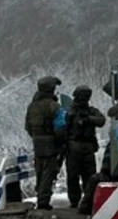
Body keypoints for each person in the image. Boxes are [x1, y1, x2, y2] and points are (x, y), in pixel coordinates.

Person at [77, 102, 118, 215]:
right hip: (81, 148)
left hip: (115, 173)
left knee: (93, 179)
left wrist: (88, 119)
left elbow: (101, 120)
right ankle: (81, 207)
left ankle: (84, 209)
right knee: (91, 178)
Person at [23, 76, 65, 210]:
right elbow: (60, 127)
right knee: (49, 172)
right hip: (51, 142)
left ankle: (40, 195)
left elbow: (27, 126)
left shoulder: (32, 106)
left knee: (39, 170)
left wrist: (37, 136)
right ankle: (43, 201)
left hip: (37, 141)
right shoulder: (54, 106)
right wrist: (60, 144)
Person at [64, 86, 106, 209]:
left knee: (88, 175)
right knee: (73, 176)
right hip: (74, 146)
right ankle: (75, 201)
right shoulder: (70, 111)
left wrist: (88, 120)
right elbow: (64, 128)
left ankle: (88, 200)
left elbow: (101, 120)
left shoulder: (91, 111)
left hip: (86, 146)